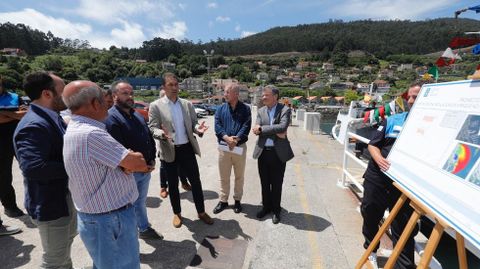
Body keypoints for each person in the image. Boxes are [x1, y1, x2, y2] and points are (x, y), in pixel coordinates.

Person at [62, 80, 148, 269]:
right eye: (104, 99)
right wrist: (131, 158)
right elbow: (138, 163)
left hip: (101, 220)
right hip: (110, 221)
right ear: (94, 103)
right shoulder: (92, 134)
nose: (108, 103)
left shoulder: (76, 128)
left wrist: (126, 161)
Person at [13, 71, 77, 268]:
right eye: (63, 90)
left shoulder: (53, 117)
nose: (68, 95)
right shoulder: (33, 125)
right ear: (47, 94)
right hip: (50, 205)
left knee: (64, 252)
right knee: (54, 260)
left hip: (63, 200)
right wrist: (76, 167)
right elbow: (34, 168)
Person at [360, 81, 422, 269]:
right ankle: (370, 250)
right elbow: (373, 144)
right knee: (370, 213)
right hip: (377, 177)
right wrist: (378, 159)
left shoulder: (433, 128)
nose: (411, 100)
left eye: (416, 96)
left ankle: (403, 265)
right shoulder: (393, 120)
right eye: (409, 96)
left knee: (403, 226)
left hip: (404, 184)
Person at [148, 73, 213, 228]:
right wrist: (161, 134)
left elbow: (193, 124)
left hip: (187, 149)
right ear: (163, 87)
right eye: (171, 85)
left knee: (196, 182)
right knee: (173, 185)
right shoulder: (155, 105)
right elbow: (152, 127)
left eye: (176, 84)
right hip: (169, 150)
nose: (175, 87)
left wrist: (198, 129)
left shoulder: (186, 104)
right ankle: (177, 213)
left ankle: (201, 211)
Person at [105, 81, 162, 240]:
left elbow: (148, 137)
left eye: (131, 93)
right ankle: (127, 238)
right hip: (128, 174)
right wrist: (141, 167)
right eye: (125, 93)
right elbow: (119, 153)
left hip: (145, 170)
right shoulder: (111, 119)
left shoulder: (136, 114)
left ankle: (143, 228)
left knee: (140, 202)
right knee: (126, 208)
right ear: (114, 96)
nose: (130, 97)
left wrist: (152, 159)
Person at [252, 85, 293, 224]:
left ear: (275, 96)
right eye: (263, 95)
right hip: (263, 152)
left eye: (266, 95)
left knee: (276, 183)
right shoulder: (261, 110)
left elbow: (282, 127)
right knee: (264, 183)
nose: (263, 97)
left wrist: (263, 129)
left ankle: (276, 210)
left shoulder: (285, 110)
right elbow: (255, 129)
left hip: (278, 153)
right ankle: (266, 207)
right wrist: (273, 131)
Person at [213, 83, 251, 214]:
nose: (224, 94)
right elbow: (217, 126)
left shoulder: (246, 109)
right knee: (224, 176)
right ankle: (223, 201)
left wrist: (236, 139)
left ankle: (237, 201)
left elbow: (246, 126)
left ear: (235, 93)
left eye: (227, 92)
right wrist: (227, 138)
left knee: (239, 176)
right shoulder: (220, 109)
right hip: (224, 148)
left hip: (239, 147)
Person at [158, 89, 192, 199]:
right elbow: (153, 127)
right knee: (164, 167)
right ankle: (163, 187)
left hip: (180, 143)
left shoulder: (177, 107)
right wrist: (162, 133)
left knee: (181, 165)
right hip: (165, 144)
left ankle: (184, 182)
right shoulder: (157, 109)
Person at [0, 77, 26, 218]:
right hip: (1, 144)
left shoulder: (15, 97)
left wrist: (4, 113)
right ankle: (10, 206)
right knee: (4, 177)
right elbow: (19, 115)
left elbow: (25, 113)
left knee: (31, 171)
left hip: (19, 139)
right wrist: (15, 115)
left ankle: (34, 203)